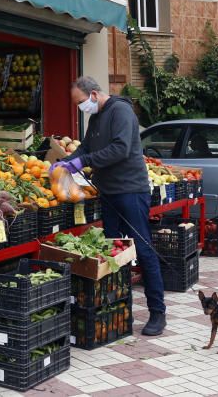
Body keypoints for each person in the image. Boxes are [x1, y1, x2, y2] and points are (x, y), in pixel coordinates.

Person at [52, 76, 167, 336]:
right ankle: (114, 307)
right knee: (111, 251)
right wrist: (66, 162)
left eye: (80, 102)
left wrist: (82, 163)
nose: (80, 108)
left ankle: (157, 312)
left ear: (93, 94)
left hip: (130, 191)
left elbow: (121, 149)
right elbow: (87, 148)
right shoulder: (95, 119)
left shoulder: (121, 111)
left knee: (143, 248)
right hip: (108, 193)